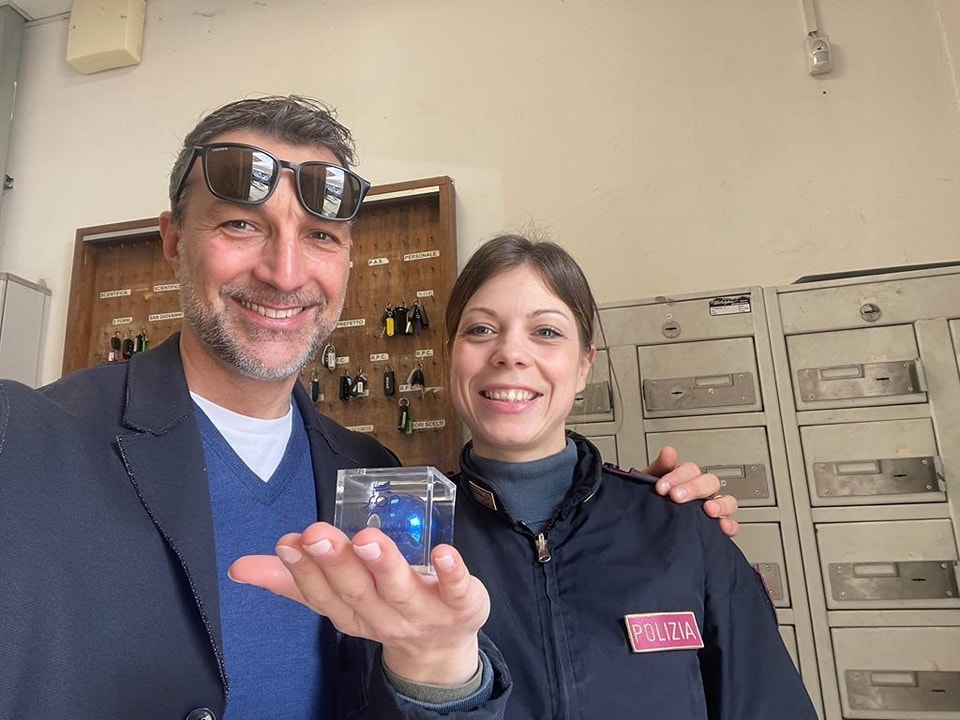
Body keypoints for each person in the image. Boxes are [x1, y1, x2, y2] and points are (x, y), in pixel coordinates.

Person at [0, 97, 735, 720]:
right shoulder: (24, 445)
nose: (284, 272)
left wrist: (441, 668)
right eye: (241, 225)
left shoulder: (376, 480)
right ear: (172, 241)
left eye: (320, 236)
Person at [236, 233, 815, 719]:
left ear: (584, 366)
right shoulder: (400, 541)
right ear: (451, 356)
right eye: (481, 330)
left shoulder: (683, 528)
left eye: (547, 332)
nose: (510, 353)